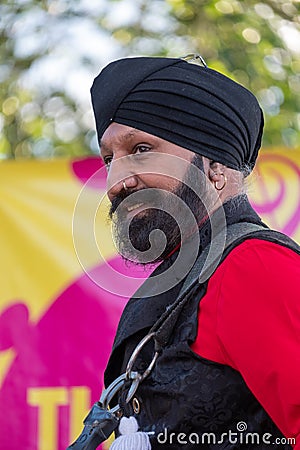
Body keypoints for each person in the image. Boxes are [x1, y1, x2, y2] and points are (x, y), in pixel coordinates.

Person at [84, 56, 300, 449]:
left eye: (142, 148)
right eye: (109, 159)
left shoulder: (253, 265)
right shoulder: (186, 277)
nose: (116, 181)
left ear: (216, 168)